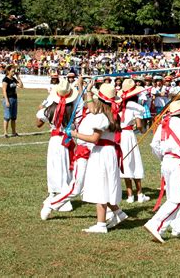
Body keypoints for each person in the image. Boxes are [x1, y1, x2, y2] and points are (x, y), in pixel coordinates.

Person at [144, 100, 180, 243]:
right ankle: (156, 224)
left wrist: (162, 157)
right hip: (177, 163)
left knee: (174, 195)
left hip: (166, 162)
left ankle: (179, 226)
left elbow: (154, 145)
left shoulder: (164, 123)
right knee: (177, 199)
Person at [74, 83, 127, 233]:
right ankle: (119, 213)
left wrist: (75, 134)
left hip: (102, 152)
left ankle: (101, 224)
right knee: (107, 183)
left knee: (100, 185)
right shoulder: (112, 115)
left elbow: (94, 139)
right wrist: (89, 91)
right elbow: (92, 108)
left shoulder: (102, 117)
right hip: (108, 152)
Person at [36, 79, 78, 213]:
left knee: (55, 166)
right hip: (66, 139)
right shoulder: (73, 108)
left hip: (55, 140)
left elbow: (38, 123)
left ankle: (58, 196)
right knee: (64, 167)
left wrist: (42, 109)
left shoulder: (49, 109)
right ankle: (57, 193)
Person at [117, 79, 149, 203]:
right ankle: (139, 194)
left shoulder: (118, 105)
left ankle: (130, 195)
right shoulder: (137, 107)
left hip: (119, 136)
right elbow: (140, 125)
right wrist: (143, 130)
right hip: (129, 135)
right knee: (134, 162)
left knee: (125, 162)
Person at [2, 65, 23, 138]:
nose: (14, 72)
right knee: (7, 117)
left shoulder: (14, 79)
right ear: (8, 71)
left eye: (14, 71)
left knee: (13, 117)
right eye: (12, 71)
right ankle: (5, 133)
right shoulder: (5, 80)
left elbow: (21, 86)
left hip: (14, 99)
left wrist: (18, 77)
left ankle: (14, 132)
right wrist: (7, 101)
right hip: (8, 99)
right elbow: (4, 91)